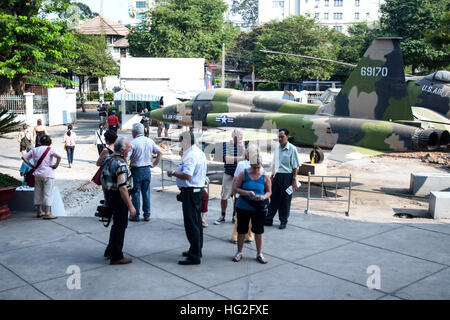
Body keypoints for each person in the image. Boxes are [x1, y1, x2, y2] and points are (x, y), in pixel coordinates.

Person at [167, 131, 207, 265]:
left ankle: (194, 255)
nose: (179, 143)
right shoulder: (197, 152)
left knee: (191, 224)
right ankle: (196, 249)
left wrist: (173, 173)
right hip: (196, 190)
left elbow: (187, 175)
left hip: (191, 191)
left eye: (180, 140)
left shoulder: (191, 155)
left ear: (185, 141)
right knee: (196, 222)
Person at [232, 147, 271, 264]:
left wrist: (263, 197)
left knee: (258, 231)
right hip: (244, 206)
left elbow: (269, 191)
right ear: (250, 164)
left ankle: (259, 253)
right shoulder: (243, 174)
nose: (256, 170)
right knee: (241, 230)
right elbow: (235, 188)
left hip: (258, 207)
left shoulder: (265, 176)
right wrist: (247, 192)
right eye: (254, 167)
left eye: (258, 167)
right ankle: (239, 252)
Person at [102, 137, 136, 265]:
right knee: (121, 226)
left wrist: (106, 197)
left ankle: (110, 250)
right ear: (122, 150)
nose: (130, 149)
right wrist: (131, 206)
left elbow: (103, 181)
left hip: (110, 195)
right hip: (119, 198)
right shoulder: (120, 164)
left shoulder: (108, 160)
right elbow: (123, 188)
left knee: (116, 225)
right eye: (128, 147)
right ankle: (117, 256)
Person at [265, 128, 300, 229]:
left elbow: (295, 166)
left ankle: (283, 221)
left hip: (287, 177)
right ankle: (269, 219)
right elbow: (274, 163)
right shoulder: (277, 148)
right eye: (279, 137)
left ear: (287, 137)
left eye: (282, 137)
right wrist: (272, 176)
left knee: (285, 200)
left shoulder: (292, 149)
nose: (280, 139)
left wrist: (294, 180)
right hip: (277, 176)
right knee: (274, 198)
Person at [22, 134, 61, 219]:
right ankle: (47, 213)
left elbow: (24, 157)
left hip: (37, 174)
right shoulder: (50, 150)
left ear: (40, 142)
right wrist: (55, 165)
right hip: (48, 174)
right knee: (48, 193)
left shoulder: (35, 150)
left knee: (38, 192)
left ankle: (39, 211)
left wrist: (31, 166)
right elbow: (59, 156)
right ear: (49, 142)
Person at [128, 123, 162, 222]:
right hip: (147, 169)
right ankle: (147, 214)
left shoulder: (133, 143)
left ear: (134, 132)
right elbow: (160, 153)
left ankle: (136, 215)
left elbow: (127, 157)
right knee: (146, 193)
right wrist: (154, 164)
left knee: (136, 193)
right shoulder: (150, 141)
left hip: (136, 170)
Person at [214, 129, 245, 225]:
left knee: (237, 196)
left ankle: (234, 216)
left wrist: (242, 149)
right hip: (228, 174)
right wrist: (240, 158)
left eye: (242, 135)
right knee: (224, 196)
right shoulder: (227, 145)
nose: (241, 137)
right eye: (239, 135)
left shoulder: (243, 146)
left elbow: (246, 157)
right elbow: (226, 159)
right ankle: (222, 215)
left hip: (239, 176)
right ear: (233, 136)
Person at [231, 148, 256, 244]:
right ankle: (247, 236)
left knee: (240, 216)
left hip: (241, 193)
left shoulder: (242, 164)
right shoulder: (256, 166)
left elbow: (235, 179)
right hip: (249, 193)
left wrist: (232, 191)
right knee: (248, 216)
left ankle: (237, 236)